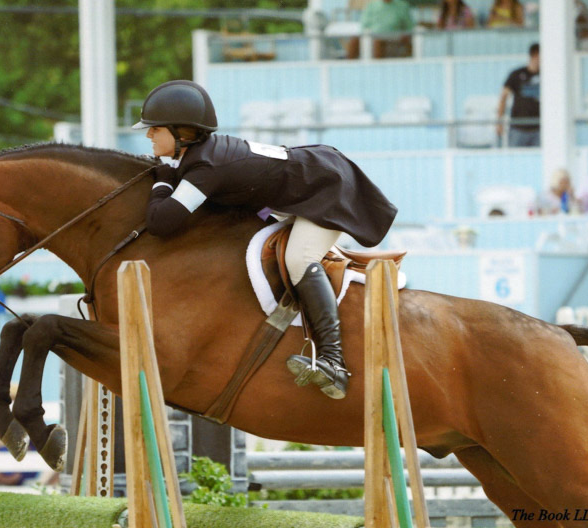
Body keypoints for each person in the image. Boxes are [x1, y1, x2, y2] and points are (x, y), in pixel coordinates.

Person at [133, 80, 398, 399]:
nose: (149, 135)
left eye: (155, 129)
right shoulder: (200, 159)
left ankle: (334, 362)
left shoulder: (205, 167)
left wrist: (161, 183)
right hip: (300, 188)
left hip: (326, 189)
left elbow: (160, 222)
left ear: (182, 133)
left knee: (298, 259)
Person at [496, 43, 540, 147]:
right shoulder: (517, 74)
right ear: (535, 55)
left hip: (539, 127)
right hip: (518, 128)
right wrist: (499, 121)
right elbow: (503, 97)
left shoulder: (546, 75)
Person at [346, 0, 414, 59]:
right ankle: (348, 66)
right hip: (373, 35)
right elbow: (364, 25)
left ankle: (378, 68)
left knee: (378, 42)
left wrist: (405, 35)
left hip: (394, 37)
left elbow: (409, 26)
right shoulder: (372, 5)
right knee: (355, 40)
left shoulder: (402, 6)